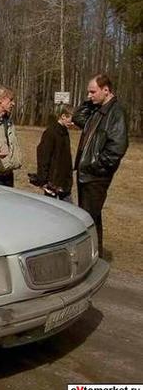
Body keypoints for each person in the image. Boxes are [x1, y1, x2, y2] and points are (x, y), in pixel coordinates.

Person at [73, 74, 129, 258]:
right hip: (86, 173)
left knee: (88, 218)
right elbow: (77, 117)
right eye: (88, 92)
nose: (89, 95)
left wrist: (96, 166)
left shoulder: (116, 113)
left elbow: (117, 147)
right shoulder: (98, 110)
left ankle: (91, 257)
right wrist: (91, 101)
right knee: (91, 217)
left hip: (96, 175)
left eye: (92, 91)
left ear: (106, 90)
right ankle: (94, 255)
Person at [32, 105, 74, 201]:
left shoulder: (65, 133)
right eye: (70, 119)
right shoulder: (51, 132)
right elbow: (43, 157)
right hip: (52, 182)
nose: (72, 123)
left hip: (64, 182)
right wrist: (43, 180)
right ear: (63, 116)